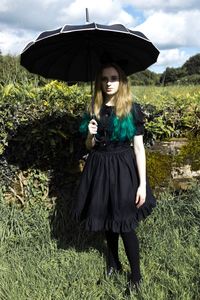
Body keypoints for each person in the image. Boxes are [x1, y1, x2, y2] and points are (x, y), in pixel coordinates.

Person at [73, 62, 156, 289]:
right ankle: (113, 264)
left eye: (113, 78)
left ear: (121, 81)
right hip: (99, 167)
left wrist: (142, 184)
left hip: (123, 169)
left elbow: (139, 149)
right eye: (104, 78)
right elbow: (89, 146)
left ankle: (136, 277)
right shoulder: (94, 108)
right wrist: (89, 136)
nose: (109, 83)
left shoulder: (131, 109)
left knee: (125, 224)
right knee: (108, 220)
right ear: (99, 82)